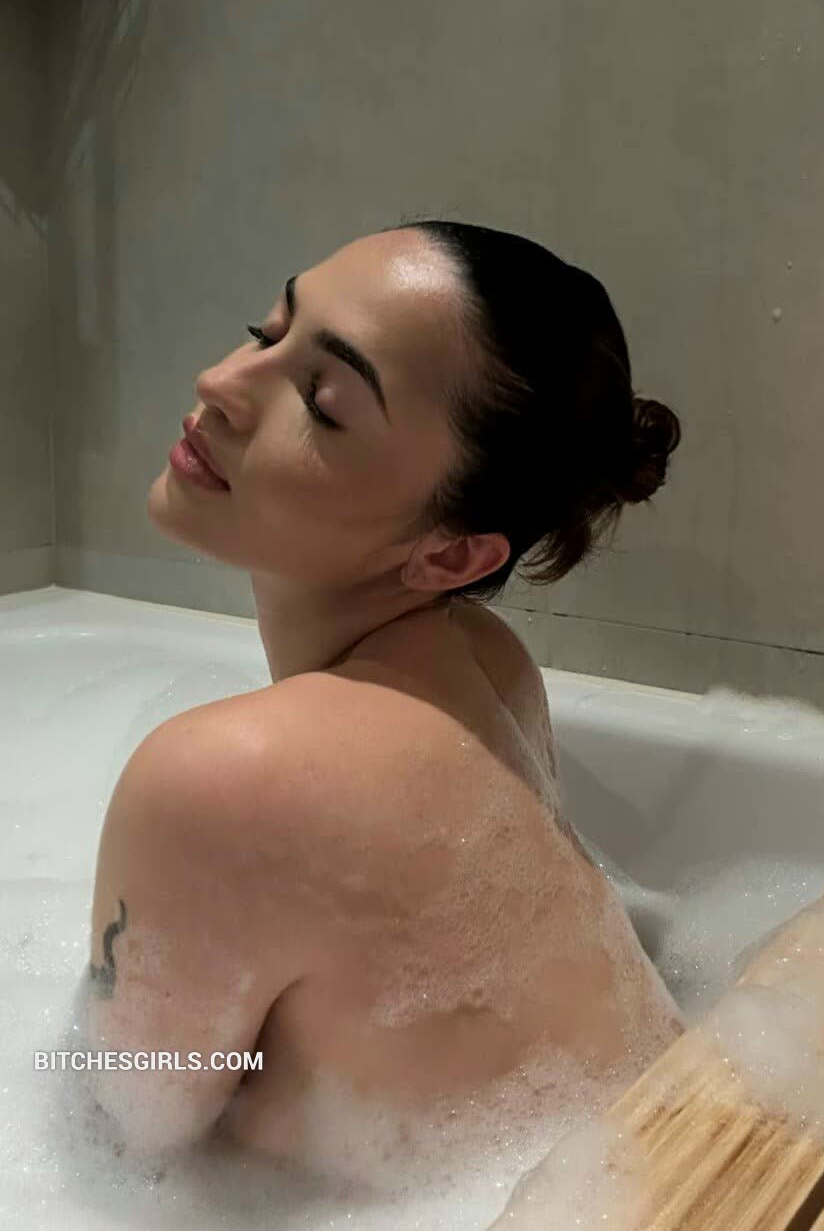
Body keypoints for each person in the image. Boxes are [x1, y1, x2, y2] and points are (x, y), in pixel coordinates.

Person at [85, 220, 685, 1173]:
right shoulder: (487, 663)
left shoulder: (221, 779)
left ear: (451, 553)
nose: (221, 383)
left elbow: (129, 1128)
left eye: (322, 403)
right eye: (265, 331)